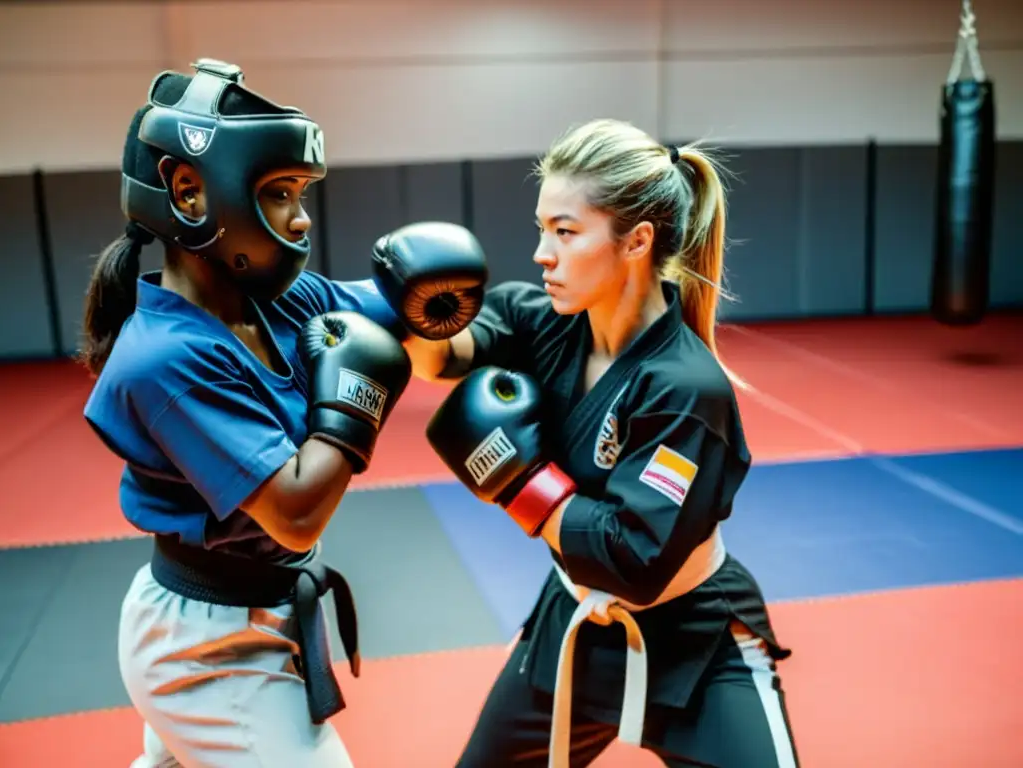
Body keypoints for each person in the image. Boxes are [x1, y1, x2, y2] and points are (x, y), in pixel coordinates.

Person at [80, 59, 487, 767]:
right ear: (189, 192)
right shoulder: (166, 358)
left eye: (300, 193)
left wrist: (483, 329)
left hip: (252, 611)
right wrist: (359, 397)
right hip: (207, 648)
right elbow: (297, 511)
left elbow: (416, 326)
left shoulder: (278, 303)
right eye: (278, 194)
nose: (300, 218)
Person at [404, 119, 801, 767]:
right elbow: (441, 355)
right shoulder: (544, 322)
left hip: (693, 643)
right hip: (577, 627)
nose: (542, 253)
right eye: (541, 229)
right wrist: (413, 306)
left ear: (636, 241)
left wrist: (520, 484)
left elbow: (632, 560)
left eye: (565, 231)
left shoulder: (684, 388)